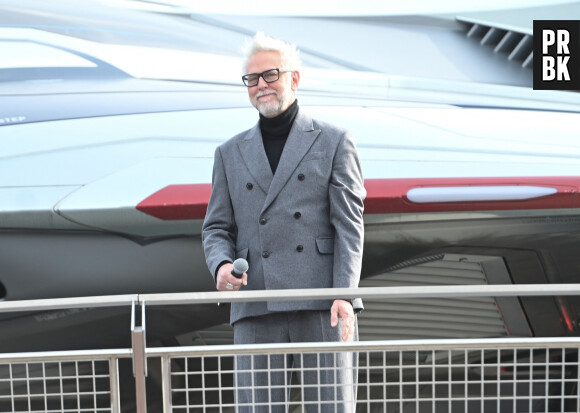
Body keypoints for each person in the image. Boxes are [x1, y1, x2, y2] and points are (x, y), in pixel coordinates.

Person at [202, 32, 365, 412]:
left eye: (270, 75)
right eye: (252, 79)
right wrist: (222, 265)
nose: (261, 85)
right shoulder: (228, 152)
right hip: (257, 300)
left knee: (332, 407)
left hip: (323, 301)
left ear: (294, 79)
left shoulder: (334, 140)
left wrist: (343, 292)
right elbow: (216, 228)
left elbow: (349, 226)